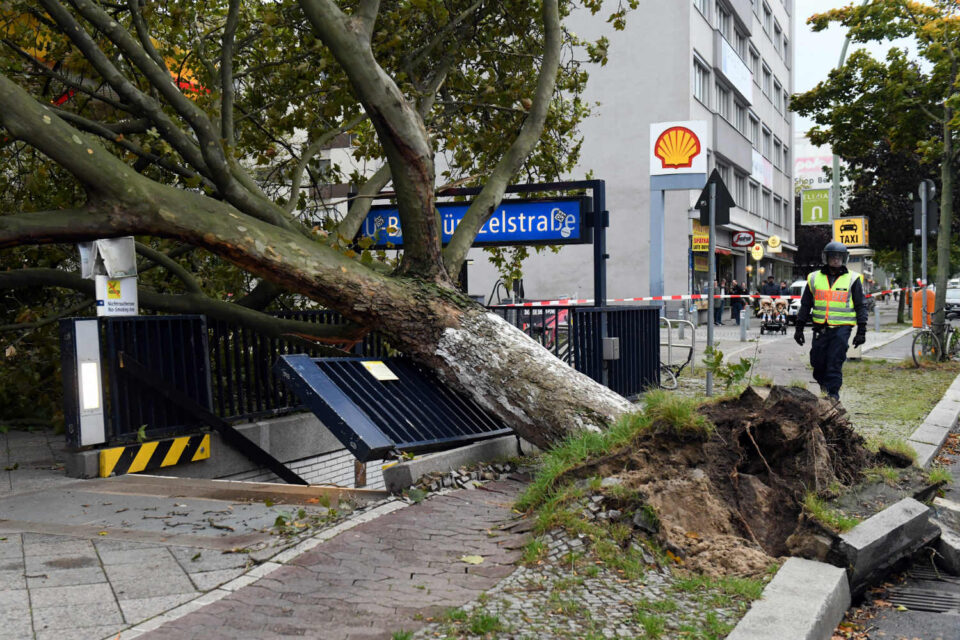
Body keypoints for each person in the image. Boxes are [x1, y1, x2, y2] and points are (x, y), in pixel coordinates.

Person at [793, 241, 867, 401]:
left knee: (834, 362)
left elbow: (861, 306)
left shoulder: (853, 279)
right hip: (820, 328)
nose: (836, 260)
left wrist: (862, 331)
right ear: (826, 258)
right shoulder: (814, 278)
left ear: (844, 258)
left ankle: (832, 397)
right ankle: (824, 389)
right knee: (817, 363)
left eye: (839, 257)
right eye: (833, 256)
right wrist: (799, 328)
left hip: (841, 328)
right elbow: (806, 304)